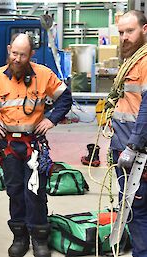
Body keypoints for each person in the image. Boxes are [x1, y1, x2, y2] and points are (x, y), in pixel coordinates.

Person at [0, 33, 72, 257]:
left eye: (22, 54)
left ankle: (40, 238)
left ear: (31, 55)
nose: (17, 59)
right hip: (9, 146)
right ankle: (19, 237)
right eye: (14, 53)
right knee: (15, 192)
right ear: (9, 49)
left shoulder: (44, 75)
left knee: (36, 192)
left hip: (34, 146)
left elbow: (65, 98)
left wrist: (51, 119)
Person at [105, 10, 147, 257]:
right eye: (121, 32)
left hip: (137, 154)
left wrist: (132, 146)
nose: (124, 37)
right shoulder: (131, 61)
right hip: (123, 149)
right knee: (129, 208)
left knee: (137, 211)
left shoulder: (144, 61)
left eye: (129, 31)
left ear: (144, 30)